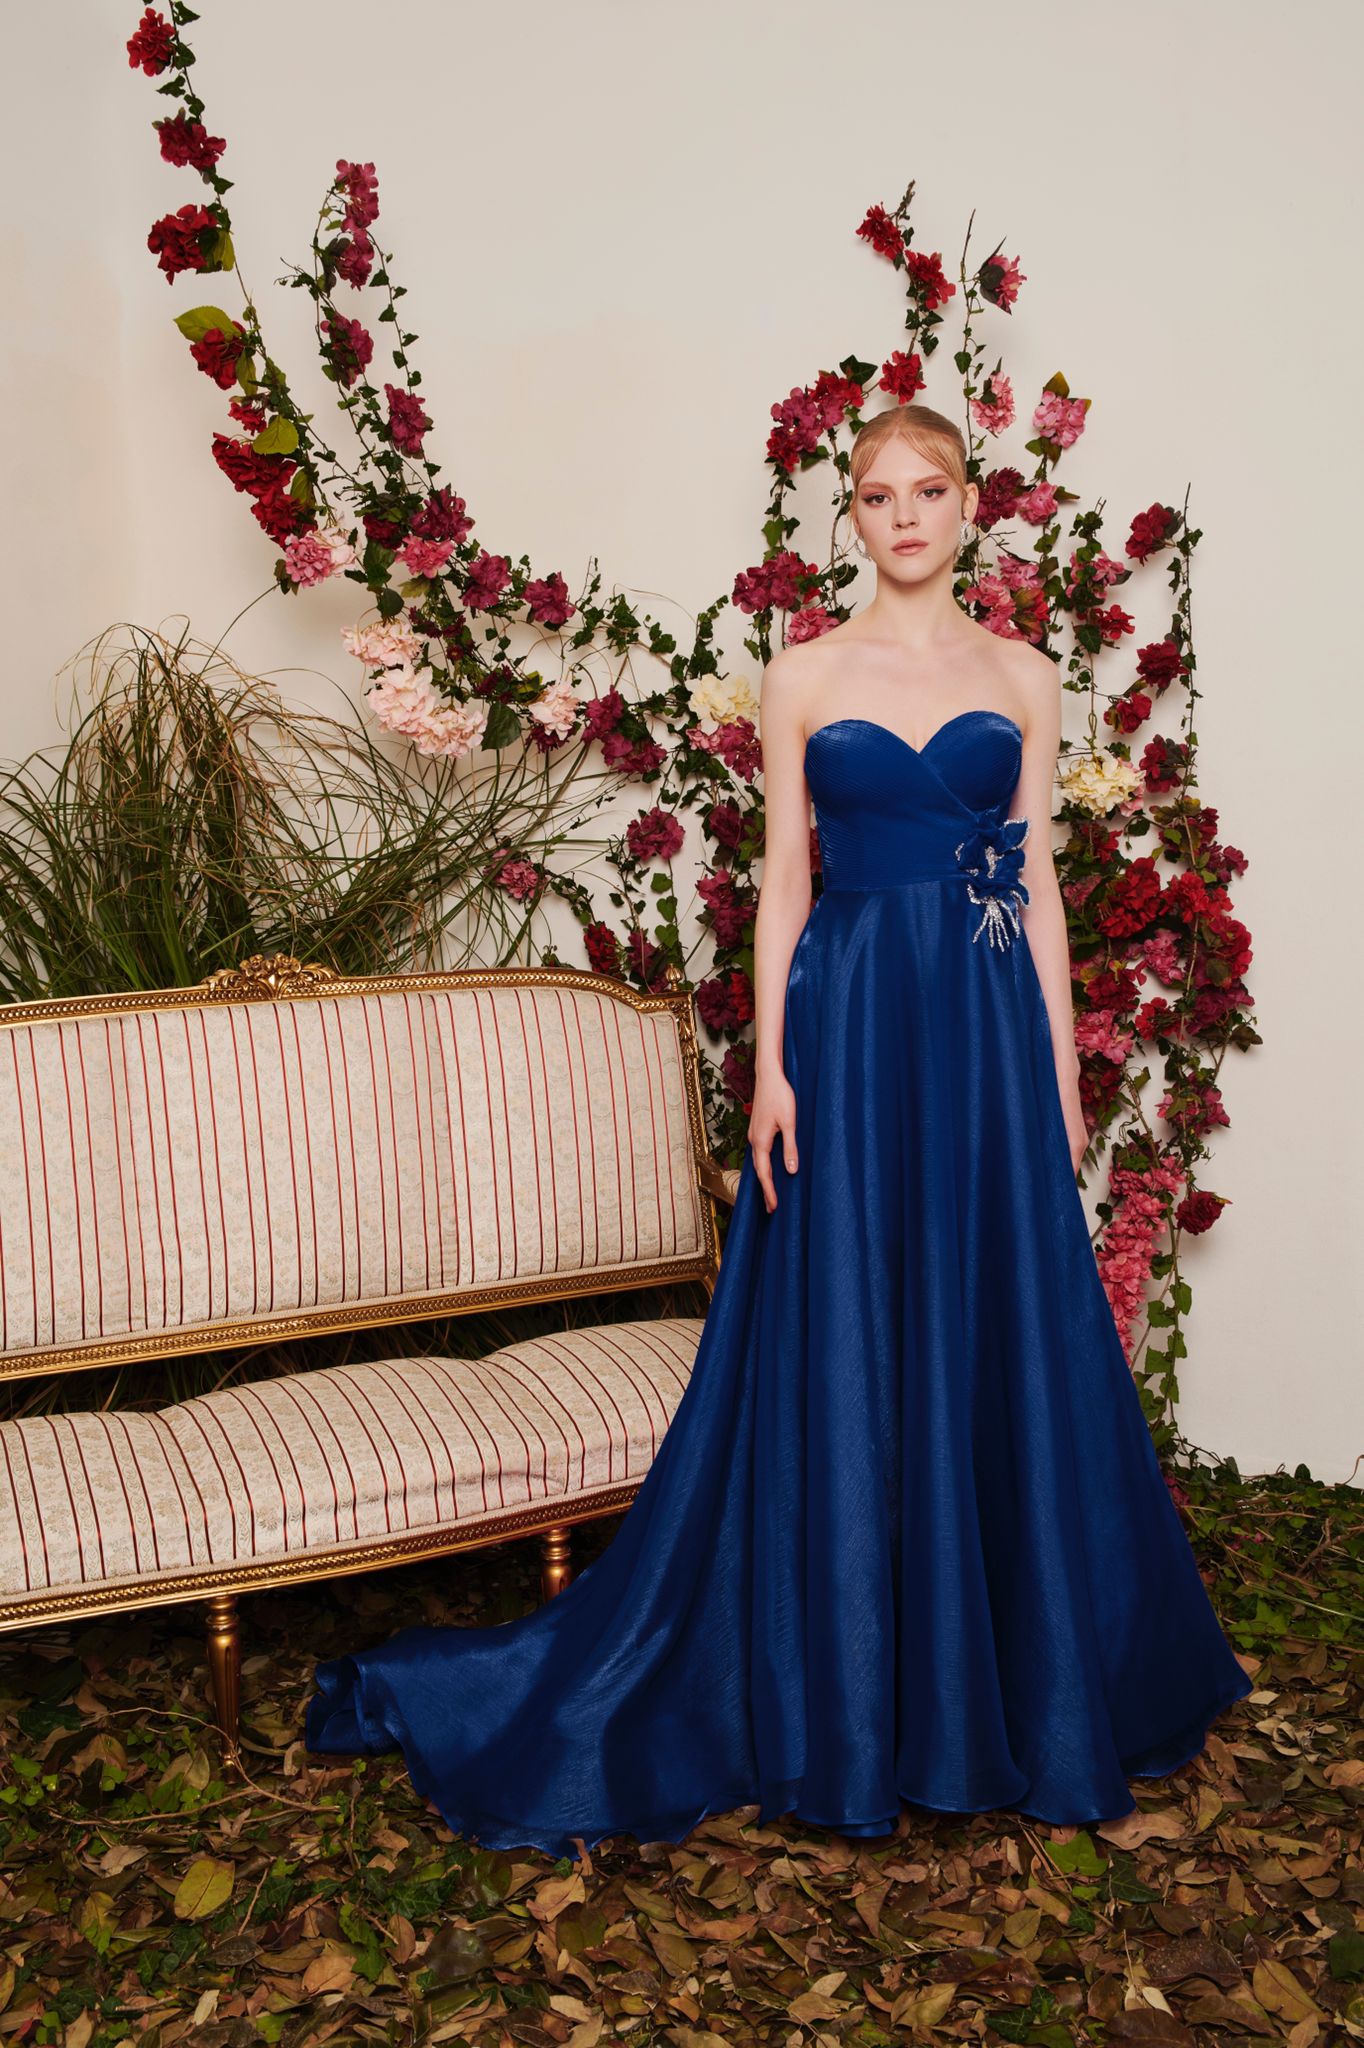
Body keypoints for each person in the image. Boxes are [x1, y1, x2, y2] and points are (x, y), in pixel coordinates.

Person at [304, 402, 1252, 1855]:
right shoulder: (803, 672)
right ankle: (854, 1695)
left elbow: (1041, 890)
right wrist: (770, 1073)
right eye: (877, 495)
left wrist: (1061, 1073)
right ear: (852, 517)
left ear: (970, 507)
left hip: (986, 1027)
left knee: (993, 1316)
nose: (905, 516)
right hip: (854, 1024)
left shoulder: (1025, 676)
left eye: (928, 491)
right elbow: (784, 888)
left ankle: (1017, 1675)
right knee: (854, 1315)